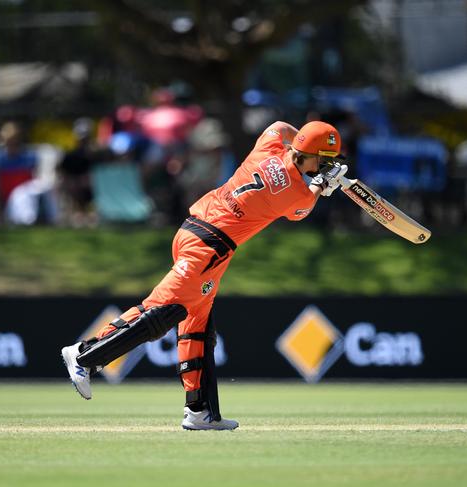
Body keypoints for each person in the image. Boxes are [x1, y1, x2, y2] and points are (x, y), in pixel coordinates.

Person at [61, 120, 348, 430]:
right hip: (208, 248)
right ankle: (84, 355)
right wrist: (324, 185)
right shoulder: (295, 193)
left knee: (196, 328)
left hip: (194, 232)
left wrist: (309, 156)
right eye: (324, 159)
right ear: (312, 154)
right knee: (161, 312)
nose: (326, 165)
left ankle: (200, 412)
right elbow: (302, 209)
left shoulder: (268, 148)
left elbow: (279, 126)